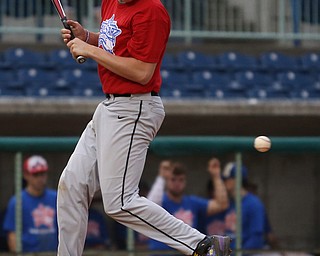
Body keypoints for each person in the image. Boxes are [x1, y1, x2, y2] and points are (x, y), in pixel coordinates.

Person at [57, 1, 231, 256]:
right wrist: (88, 38)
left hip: (135, 105)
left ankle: (201, 245)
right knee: (72, 184)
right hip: (109, 106)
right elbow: (114, 47)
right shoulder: (111, 2)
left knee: (120, 202)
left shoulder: (151, 10)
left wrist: (89, 50)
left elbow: (142, 71)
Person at [147, 159, 229, 251]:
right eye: (173, 179)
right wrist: (161, 177)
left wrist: (216, 176)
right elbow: (149, 208)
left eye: (181, 180)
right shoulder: (160, 201)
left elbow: (221, 205)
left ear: (185, 181)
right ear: (167, 181)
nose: (177, 183)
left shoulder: (192, 203)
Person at [3, 155, 58, 253]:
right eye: (35, 175)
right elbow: (12, 236)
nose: (40, 178)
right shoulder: (17, 201)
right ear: (26, 175)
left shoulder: (56, 197)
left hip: (54, 252)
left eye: (43, 174)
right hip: (28, 253)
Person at [221, 163, 267, 251]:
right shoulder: (230, 203)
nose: (224, 182)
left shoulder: (253, 203)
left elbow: (256, 239)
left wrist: (238, 254)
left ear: (237, 180)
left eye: (227, 179)